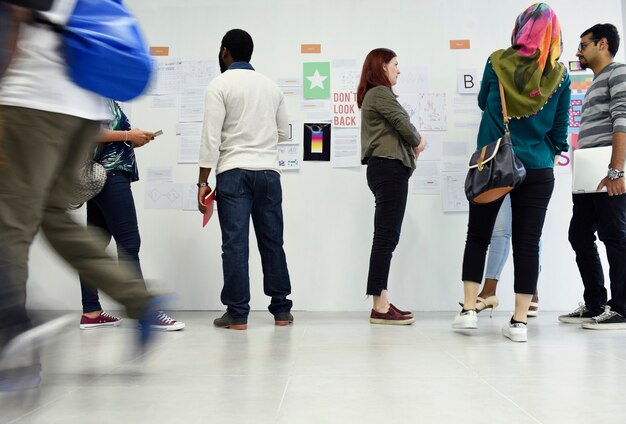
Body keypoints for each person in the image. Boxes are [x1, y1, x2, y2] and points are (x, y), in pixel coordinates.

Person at [0, 0, 161, 390]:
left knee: (10, 224)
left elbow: (19, 18)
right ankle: (137, 298)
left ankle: (12, 332)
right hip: (83, 108)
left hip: (29, 99)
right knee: (53, 216)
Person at [452, 3, 570, 342]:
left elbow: (481, 102)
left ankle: (470, 310)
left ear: (520, 29)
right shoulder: (559, 75)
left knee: (478, 236)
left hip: (493, 164)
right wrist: (540, 151)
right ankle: (519, 322)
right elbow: (560, 135)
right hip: (537, 168)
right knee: (528, 243)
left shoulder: (496, 61)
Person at [197, 29, 293, 330]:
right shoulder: (271, 87)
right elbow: (284, 133)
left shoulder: (219, 85)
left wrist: (202, 182)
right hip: (268, 173)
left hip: (233, 172)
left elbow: (211, 138)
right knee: (272, 241)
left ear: (225, 51)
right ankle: (281, 311)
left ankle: (238, 314)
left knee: (235, 245)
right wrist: (260, 139)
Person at [78, 100, 185, 331]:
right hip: (110, 176)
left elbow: (104, 139)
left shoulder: (105, 98)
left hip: (101, 176)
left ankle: (91, 311)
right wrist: (128, 134)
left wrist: (132, 140)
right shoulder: (95, 94)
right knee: (128, 243)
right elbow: (90, 132)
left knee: (94, 246)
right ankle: (143, 311)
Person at [559, 23, 626, 329]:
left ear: (601, 44)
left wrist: (616, 171)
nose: (577, 51)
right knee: (579, 234)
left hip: (608, 173)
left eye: (583, 45)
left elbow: (621, 125)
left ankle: (621, 307)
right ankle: (595, 304)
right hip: (589, 176)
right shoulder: (595, 82)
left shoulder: (617, 73)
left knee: (614, 236)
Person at [357, 48, 425, 325]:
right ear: (382, 66)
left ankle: (381, 301)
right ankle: (380, 306)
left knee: (386, 237)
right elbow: (402, 123)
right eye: (395, 64)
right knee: (385, 238)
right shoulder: (380, 93)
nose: (399, 69)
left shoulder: (375, 95)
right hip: (388, 168)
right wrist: (417, 141)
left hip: (384, 168)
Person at [465, 194, 541, 317]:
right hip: (505, 176)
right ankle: (489, 291)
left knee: (528, 234)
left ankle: (531, 293)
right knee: (501, 231)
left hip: (533, 176)